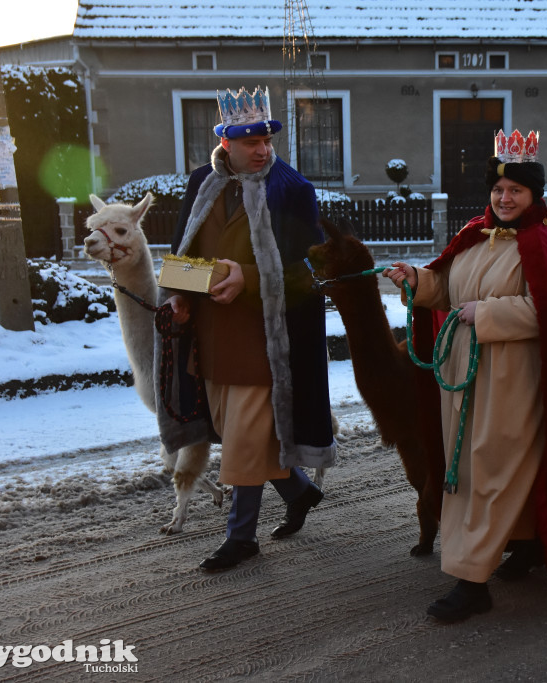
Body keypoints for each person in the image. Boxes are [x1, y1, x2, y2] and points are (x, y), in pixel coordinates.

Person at [385, 129, 547, 621]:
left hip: (512, 383)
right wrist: (418, 281)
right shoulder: (475, 237)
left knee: (490, 470)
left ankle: (471, 581)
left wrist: (490, 314)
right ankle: (529, 542)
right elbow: (446, 289)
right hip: (463, 380)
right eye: (499, 190)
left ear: (533, 194)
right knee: (471, 468)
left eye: (515, 190)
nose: (504, 198)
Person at [156, 86, 336, 571]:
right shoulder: (201, 184)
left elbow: (310, 270)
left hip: (267, 343)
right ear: (226, 143)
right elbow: (180, 261)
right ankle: (299, 492)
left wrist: (250, 277)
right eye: (251, 141)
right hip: (211, 340)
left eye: (267, 140)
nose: (262, 150)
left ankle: (241, 538)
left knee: (241, 442)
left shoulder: (292, 189)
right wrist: (180, 293)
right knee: (244, 436)